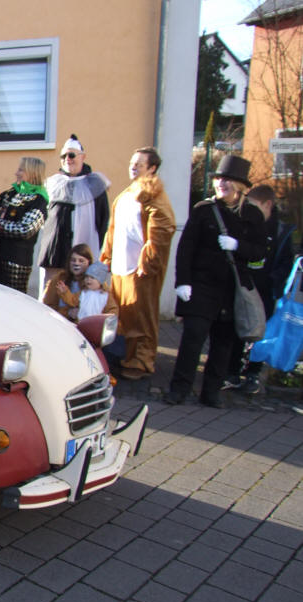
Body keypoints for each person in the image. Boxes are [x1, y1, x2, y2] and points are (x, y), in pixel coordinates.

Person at [166, 155, 267, 408]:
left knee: (223, 344)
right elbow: (186, 248)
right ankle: (179, 389)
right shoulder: (204, 210)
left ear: (240, 186)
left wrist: (239, 246)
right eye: (219, 179)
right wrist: (183, 282)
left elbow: (259, 252)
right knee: (193, 339)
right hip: (201, 285)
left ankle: (211, 392)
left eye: (227, 180)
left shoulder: (252, 215)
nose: (221, 183)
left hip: (232, 289)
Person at [100, 146, 176, 380]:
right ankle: (122, 355)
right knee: (121, 313)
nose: (133, 167)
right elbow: (114, 227)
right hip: (121, 265)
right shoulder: (128, 192)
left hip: (139, 268)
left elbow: (163, 228)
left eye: (139, 164)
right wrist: (107, 256)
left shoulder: (153, 194)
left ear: (152, 168)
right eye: (132, 163)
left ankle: (141, 360)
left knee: (141, 316)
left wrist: (149, 262)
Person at [223, 184, 297, 393]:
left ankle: (253, 373)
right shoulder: (247, 225)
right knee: (237, 328)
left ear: (268, 205)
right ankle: (232, 371)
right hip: (244, 286)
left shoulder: (281, 232)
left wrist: (274, 283)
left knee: (260, 332)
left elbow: (285, 263)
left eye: (255, 206)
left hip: (265, 291)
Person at [37, 134, 110, 297]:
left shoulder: (95, 184)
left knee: (78, 294)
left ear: (82, 157)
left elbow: (103, 220)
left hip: (83, 249)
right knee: (51, 294)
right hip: (56, 252)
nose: (67, 159)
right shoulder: (54, 183)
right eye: (63, 156)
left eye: (71, 155)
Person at [0, 157, 48, 293]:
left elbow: (25, 230)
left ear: (33, 173)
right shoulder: (14, 192)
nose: (16, 173)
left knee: (11, 301)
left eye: (21, 170)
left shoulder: (39, 200)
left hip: (15, 261)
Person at [42, 243, 94, 320]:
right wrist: (68, 313)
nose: (76, 263)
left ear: (89, 263)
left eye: (81, 261)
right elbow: (48, 307)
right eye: (73, 260)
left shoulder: (95, 283)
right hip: (60, 322)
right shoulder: (59, 279)